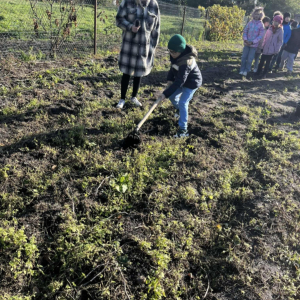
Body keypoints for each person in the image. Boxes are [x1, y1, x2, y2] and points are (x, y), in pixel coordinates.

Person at [115, 0, 160, 109]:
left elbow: (156, 28)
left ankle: (134, 97)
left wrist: (153, 47)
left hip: (144, 46)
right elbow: (119, 19)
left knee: (138, 72)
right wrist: (130, 27)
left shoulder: (154, 5)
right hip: (129, 46)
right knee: (126, 72)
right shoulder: (127, 2)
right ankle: (122, 99)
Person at [157, 35, 202, 138]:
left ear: (180, 51)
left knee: (183, 102)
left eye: (174, 52)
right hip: (182, 80)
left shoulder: (186, 62)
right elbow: (172, 68)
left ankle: (183, 130)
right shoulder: (175, 55)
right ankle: (178, 110)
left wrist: (165, 94)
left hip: (191, 83)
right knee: (172, 97)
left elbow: (179, 82)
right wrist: (169, 80)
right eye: (170, 51)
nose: (171, 54)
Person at [239, 7, 265, 76]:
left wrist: (253, 42)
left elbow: (260, 36)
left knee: (250, 59)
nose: (256, 16)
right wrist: (245, 39)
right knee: (244, 57)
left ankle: (247, 70)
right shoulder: (250, 23)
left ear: (260, 15)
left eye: (258, 14)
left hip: (254, 45)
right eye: (255, 14)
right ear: (253, 15)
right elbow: (245, 31)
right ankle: (242, 69)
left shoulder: (261, 25)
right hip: (246, 43)